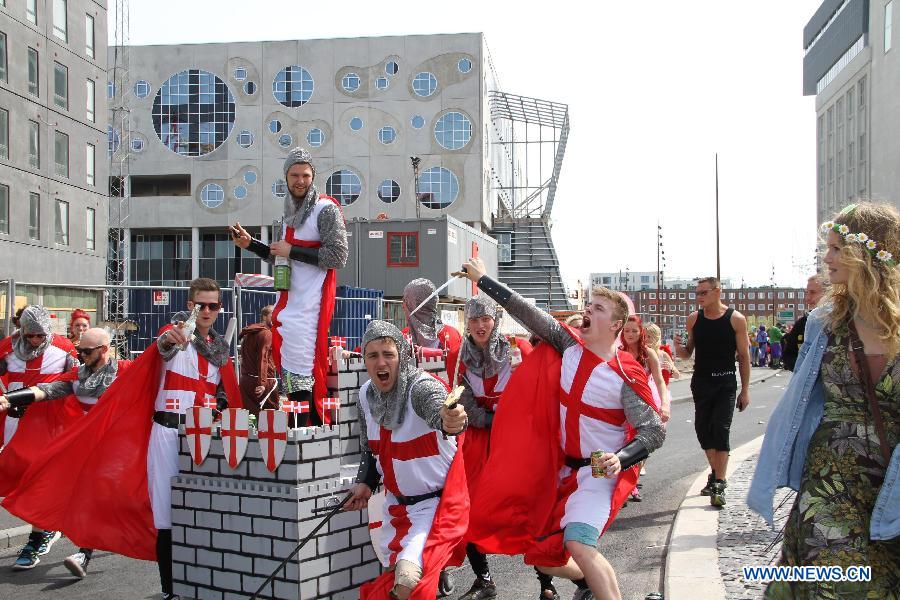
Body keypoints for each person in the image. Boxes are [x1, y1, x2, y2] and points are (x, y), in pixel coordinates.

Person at [2, 278, 241, 600]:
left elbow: (223, 392)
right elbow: (165, 348)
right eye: (202, 305)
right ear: (190, 305)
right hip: (157, 434)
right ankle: (170, 589)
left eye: (214, 305)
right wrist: (14, 398)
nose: (208, 311)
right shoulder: (174, 335)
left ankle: (202, 584)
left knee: (202, 510)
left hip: (199, 436)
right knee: (163, 513)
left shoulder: (218, 349)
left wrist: (221, 409)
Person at [461, 258, 666, 600]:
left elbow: (653, 431)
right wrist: (483, 280)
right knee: (544, 557)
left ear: (616, 324)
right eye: (589, 304)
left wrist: (621, 458)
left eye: (597, 308)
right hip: (559, 471)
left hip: (597, 472)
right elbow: (525, 311)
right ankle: (587, 585)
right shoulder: (568, 344)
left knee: (579, 543)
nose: (588, 309)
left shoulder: (627, 373)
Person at [748, 201, 900, 598]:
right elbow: (800, 399)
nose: (825, 258)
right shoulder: (825, 320)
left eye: (836, 249)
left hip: (892, 480)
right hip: (831, 478)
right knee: (836, 583)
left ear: (866, 254)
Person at [345, 320, 468, 600]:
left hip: (436, 507)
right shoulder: (365, 395)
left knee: (408, 583)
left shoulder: (421, 387)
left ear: (402, 354)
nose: (381, 362)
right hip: (395, 510)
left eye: (388, 354)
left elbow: (440, 410)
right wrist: (364, 483)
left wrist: (451, 420)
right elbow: (372, 449)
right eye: (372, 355)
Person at [231, 147, 348, 426]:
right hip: (289, 304)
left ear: (313, 176)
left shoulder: (325, 209)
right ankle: (299, 429)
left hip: (310, 306)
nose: (300, 181)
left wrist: (292, 249)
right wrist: (252, 245)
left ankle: (306, 429)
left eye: (305, 175)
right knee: (293, 369)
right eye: (295, 175)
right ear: (286, 177)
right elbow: (279, 256)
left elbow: (338, 256)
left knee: (302, 368)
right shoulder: (287, 215)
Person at [0, 328, 128, 577]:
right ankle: (42, 538)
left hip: (114, 447)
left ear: (103, 350)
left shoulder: (125, 371)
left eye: (86, 351)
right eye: (79, 349)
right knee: (48, 485)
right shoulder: (77, 375)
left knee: (99, 498)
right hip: (83, 445)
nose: (80, 354)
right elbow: (47, 390)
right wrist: (10, 399)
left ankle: (85, 551)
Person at [452, 295, 549, 600]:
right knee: (470, 508)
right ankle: (484, 579)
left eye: (485, 319)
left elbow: (535, 394)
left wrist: (510, 422)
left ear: (495, 320)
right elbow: (464, 402)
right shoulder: (459, 356)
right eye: (474, 320)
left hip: (518, 439)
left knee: (530, 509)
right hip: (480, 440)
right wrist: (490, 419)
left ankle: (548, 582)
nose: (480, 326)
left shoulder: (518, 350)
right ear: (466, 324)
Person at [0, 305, 77, 569]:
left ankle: (39, 535)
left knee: (39, 479)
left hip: (50, 425)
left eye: (40, 336)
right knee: (15, 479)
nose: (35, 341)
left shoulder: (65, 348)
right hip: (14, 424)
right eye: (30, 335)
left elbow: (79, 381)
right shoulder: (8, 347)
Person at [675, 277, 751, 508]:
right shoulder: (694, 319)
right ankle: (715, 472)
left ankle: (719, 481)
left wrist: (745, 390)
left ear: (717, 292)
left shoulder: (735, 319)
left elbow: (744, 357)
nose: (699, 297)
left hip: (725, 382)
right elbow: (688, 353)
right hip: (701, 382)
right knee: (702, 430)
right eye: (697, 293)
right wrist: (680, 350)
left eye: (703, 293)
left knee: (720, 428)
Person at [619, 316, 669, 502]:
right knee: (621, 445)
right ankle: (621, 487)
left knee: (638, 448)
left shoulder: (649, 354)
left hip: (643, 405)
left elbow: (659, 381)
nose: (630, 334)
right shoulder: (617, 353)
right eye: (626, 331)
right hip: (619, 407)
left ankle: (631, 485)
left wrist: (664, 404)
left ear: (641, 332)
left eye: (634, 330)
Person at [400, 278, 463, 383]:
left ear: (414, 307)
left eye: (405, 302)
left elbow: (459, 376)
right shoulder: (403, 336)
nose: (403, 306)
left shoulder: (450, 336)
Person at [238, 305, 277, 414]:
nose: (275, 317)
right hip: (262, 382)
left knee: (251, 418)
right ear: (265, 317)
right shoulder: (266, 333)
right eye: (272, 315)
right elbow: (263, 358)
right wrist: (262, 383)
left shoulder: (248, 334)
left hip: (246, 381)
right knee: (272, 418)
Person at [781, 276, 825, 371]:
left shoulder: (842, 323)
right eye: (807, 293)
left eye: (813, 293)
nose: (807, 298)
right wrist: (802, 369)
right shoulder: (802, 323)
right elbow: (788, 354)